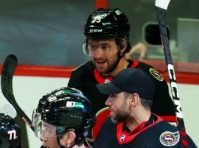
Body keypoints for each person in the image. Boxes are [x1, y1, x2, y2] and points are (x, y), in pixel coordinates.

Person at [68, 8, 176, 137]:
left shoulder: (150, 78)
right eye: (92, 46)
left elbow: (168, 135)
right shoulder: (80, 77)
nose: (97, 55)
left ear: (122, 45)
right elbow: (68, 131)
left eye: (104, 47)